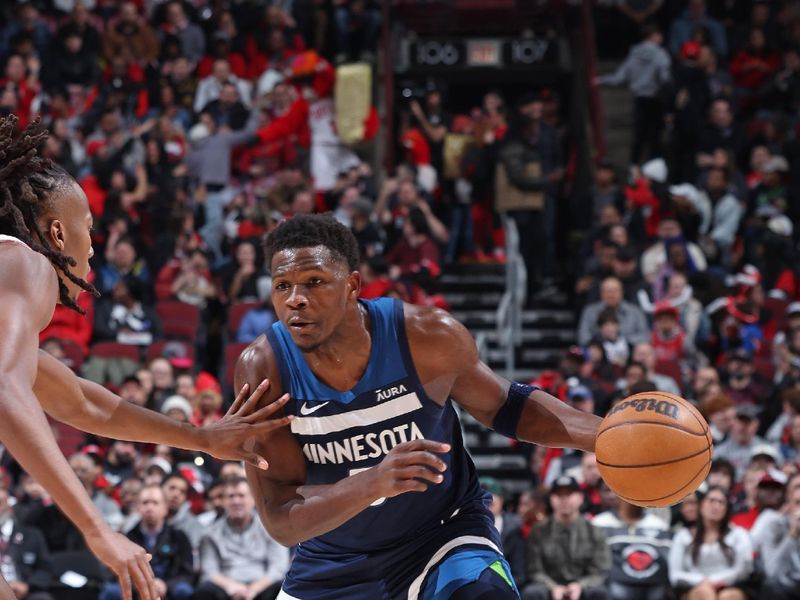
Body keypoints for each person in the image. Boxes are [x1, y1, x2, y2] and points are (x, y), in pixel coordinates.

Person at [234, 213, 602, 599]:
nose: (295, 298)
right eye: (282, 286)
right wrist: (372, 482)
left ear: (352, 286)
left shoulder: (426, 337)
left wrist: (605, 436)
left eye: (314, 282)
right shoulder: (264, 369)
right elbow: (280, 515)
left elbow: (505, 406)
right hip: (332, 560)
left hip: (443, 535)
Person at [0, 116, 292, 600]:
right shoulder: (24, 263)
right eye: (87, 229)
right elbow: (6, 388)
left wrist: (199, 437)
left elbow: (79, 402)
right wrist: (97, 528)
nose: (92, 246)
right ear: (56, 233)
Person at [196, 477, 290, 600]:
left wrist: (253, 589)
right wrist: (233, 587)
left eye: (241, 495)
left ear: (253, 499)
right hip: (226, 589)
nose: (236, 501)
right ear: (223, 501)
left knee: (282, 588)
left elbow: (278, 568)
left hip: (263, 587)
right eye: (231, 496)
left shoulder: (271, 529)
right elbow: (209, 572)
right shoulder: (210, 533)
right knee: (204, 591)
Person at [522, 476, 611, 600]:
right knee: (532, 592)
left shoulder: (594, 531)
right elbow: (535, 570)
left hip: (584, 586)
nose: (564, 499)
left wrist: (581, 585)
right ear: (551, 499)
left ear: (580, 498)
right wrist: (553, 587)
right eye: (558, 495)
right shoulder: (539, 530)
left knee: (599, 592)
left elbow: (600, 570)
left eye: (569, 494)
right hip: (549, 587)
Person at [99, 485, 194, 600]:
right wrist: (138, 584)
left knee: (184, 590)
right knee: (111, 591)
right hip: (136, 588)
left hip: (168, 588)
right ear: (138, 508)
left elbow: (187, 573)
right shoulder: (128, 537)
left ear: (165, 508)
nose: (149, 507)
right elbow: (115, 572)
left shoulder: (178, 537)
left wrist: (166, 585)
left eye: (155, 503)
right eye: (145, 503)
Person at [668, 486, 753, 600]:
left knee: (729, 596)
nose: (716, 506)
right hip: (694, 589)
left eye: (721, 502)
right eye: (712, 500)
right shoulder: (683, 535)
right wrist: (702, 581)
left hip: (730, 586)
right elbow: (675, 575)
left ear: (727, 508)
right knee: (704, 593)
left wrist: (713, 581)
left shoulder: (738, 534)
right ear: (702, 504)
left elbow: (743, 569)